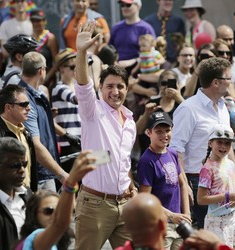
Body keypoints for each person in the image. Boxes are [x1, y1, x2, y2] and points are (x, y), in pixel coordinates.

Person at [74, 20, 137, 249]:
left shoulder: (130, 121)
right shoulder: (93, 110)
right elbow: (82, 84)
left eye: (120, 86)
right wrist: (81, 52)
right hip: (94, 206)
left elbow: (120, 159)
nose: (115, 91)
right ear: (101, 89)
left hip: (125, 205)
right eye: (109, 86)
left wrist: (130, 184)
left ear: (127, 90)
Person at [170, 57, 235, 229]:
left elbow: (227, 145)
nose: (231, 82)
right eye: (228, 78)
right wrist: (184, 184)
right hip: (197, 180)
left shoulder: (223, 106)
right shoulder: (188, 109)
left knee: (226, 232)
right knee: (211, 233)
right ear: (216, 82)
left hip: (224, 178)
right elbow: (175, 149)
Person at [16, 151, 96, 250]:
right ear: (33, 215)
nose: (56, 215)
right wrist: (71, 183)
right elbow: (60, 223)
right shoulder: (34, 239)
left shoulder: (56, 243)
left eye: (59, 209)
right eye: (48, 211)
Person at [137, 111, 191, 250]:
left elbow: (183, 184)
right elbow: (145, 199)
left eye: (167, 130)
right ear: (149, 133)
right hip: (160, 225)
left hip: (180, 224)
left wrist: (187, 215)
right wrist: (171, 215)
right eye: (159, 131)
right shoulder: (146, 160)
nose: (164, 135)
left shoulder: (172, 152)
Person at [19, 51, 69, 192]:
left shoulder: (37, 93)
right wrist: (61, 174)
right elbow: (35, 144)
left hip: (44, 171)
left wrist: (65, 134)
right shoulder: (25, 99)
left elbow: (41, 124)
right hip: (39, 175)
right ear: (41, 71)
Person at [197, 124, 235, 249]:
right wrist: (228, 196)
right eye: (219, 142)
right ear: (210, 143)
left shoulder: (230, 164)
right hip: (216, 222)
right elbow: (201, 199)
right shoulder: (207, 169)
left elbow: (231, 191)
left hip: (233, 217)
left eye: (227, 143)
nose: (223, 147)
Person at [0, 84, 38, 192]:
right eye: (23, 104)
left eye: (28, 104)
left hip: (28, 197)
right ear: (8, 107)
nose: (29, 108)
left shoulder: (26, 133)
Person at [0, 34, 40, 121]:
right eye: (32, 54)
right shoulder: (17, 80)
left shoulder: (6, 76)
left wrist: (1, 127)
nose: (37, 58)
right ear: (19, 57)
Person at [51, 48, 81, 172]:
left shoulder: (77, 86)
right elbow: (76, 99)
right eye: (72, 67)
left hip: (80, 140)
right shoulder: (58, 88)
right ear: (62, 69)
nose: (76, 69)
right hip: (68, 143)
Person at [109, 0, 156, 71]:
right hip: (117, 71)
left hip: (139, 72)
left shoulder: (146, 29)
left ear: (138, 6)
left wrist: (133, 61)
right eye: (122, 5)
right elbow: (110, 50)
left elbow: (153, 53)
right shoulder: (116, 28)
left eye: (128, 5)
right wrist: (114, 62)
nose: (124, 8)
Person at [143, 0, 186, 66]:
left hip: (173, 64)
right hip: (153, 63)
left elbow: (181, 45)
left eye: (170, 0)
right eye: (165, 0)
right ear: (158, 1)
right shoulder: (148, 22)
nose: (168, 2)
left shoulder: (178, 22)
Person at [29, 8, 58, 73]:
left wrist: (46, 78)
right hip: (32, 78)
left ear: (44, 21)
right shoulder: (30, 38)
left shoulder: (50, 38)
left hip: (46, 78)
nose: (36, 23)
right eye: (33, 21)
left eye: (38, 21)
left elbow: (56, 63)